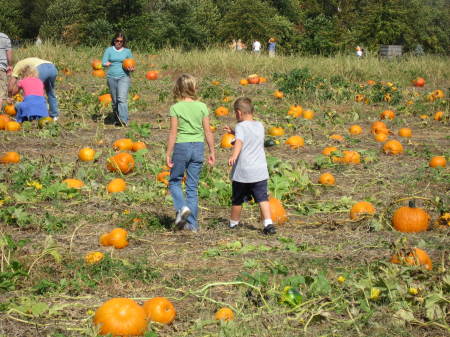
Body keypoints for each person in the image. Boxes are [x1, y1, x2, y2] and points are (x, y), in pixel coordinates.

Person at [166, 74, 216, 232]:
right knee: (192, 188)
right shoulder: (202, 106)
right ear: (193, 88)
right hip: (198, 147)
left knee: (174, 181)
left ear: (179, 89)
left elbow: (173, 133)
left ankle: (182, 208)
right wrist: (212, 151)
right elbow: (208, 131)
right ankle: (193, 226)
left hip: (182, 146)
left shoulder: (175, 108)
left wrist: (168, 153)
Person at [224, 97, 275, 235]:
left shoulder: (240, 127)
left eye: (235, 113)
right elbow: (249, 136)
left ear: (239, 113)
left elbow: (240, 141)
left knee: (237, 199)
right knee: (262, 198)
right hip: (259, 171)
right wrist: (233, 132)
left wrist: (233, 156)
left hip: (243, 172)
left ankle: (234, 224)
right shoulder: (259, 125)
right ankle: (268, 223)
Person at [102, 32, 134, 126]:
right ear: (114, 40)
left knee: (122, 99)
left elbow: (131, 63)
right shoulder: (108, 50)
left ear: (123, 42)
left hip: (124, 77)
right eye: (117, 41)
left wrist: (132, 69)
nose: (119, 43)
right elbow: (103, 62)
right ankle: (117, 119)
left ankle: (124, 121)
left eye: (121, 41)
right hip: (111, 77)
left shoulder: (127, 51)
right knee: (115, 100)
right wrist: (106, 64)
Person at [0, 32, 13, 110]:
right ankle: (2, 115)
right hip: (1, 67)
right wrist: (10, 65)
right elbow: (9, 53)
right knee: (2, 94)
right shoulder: (4, 37)